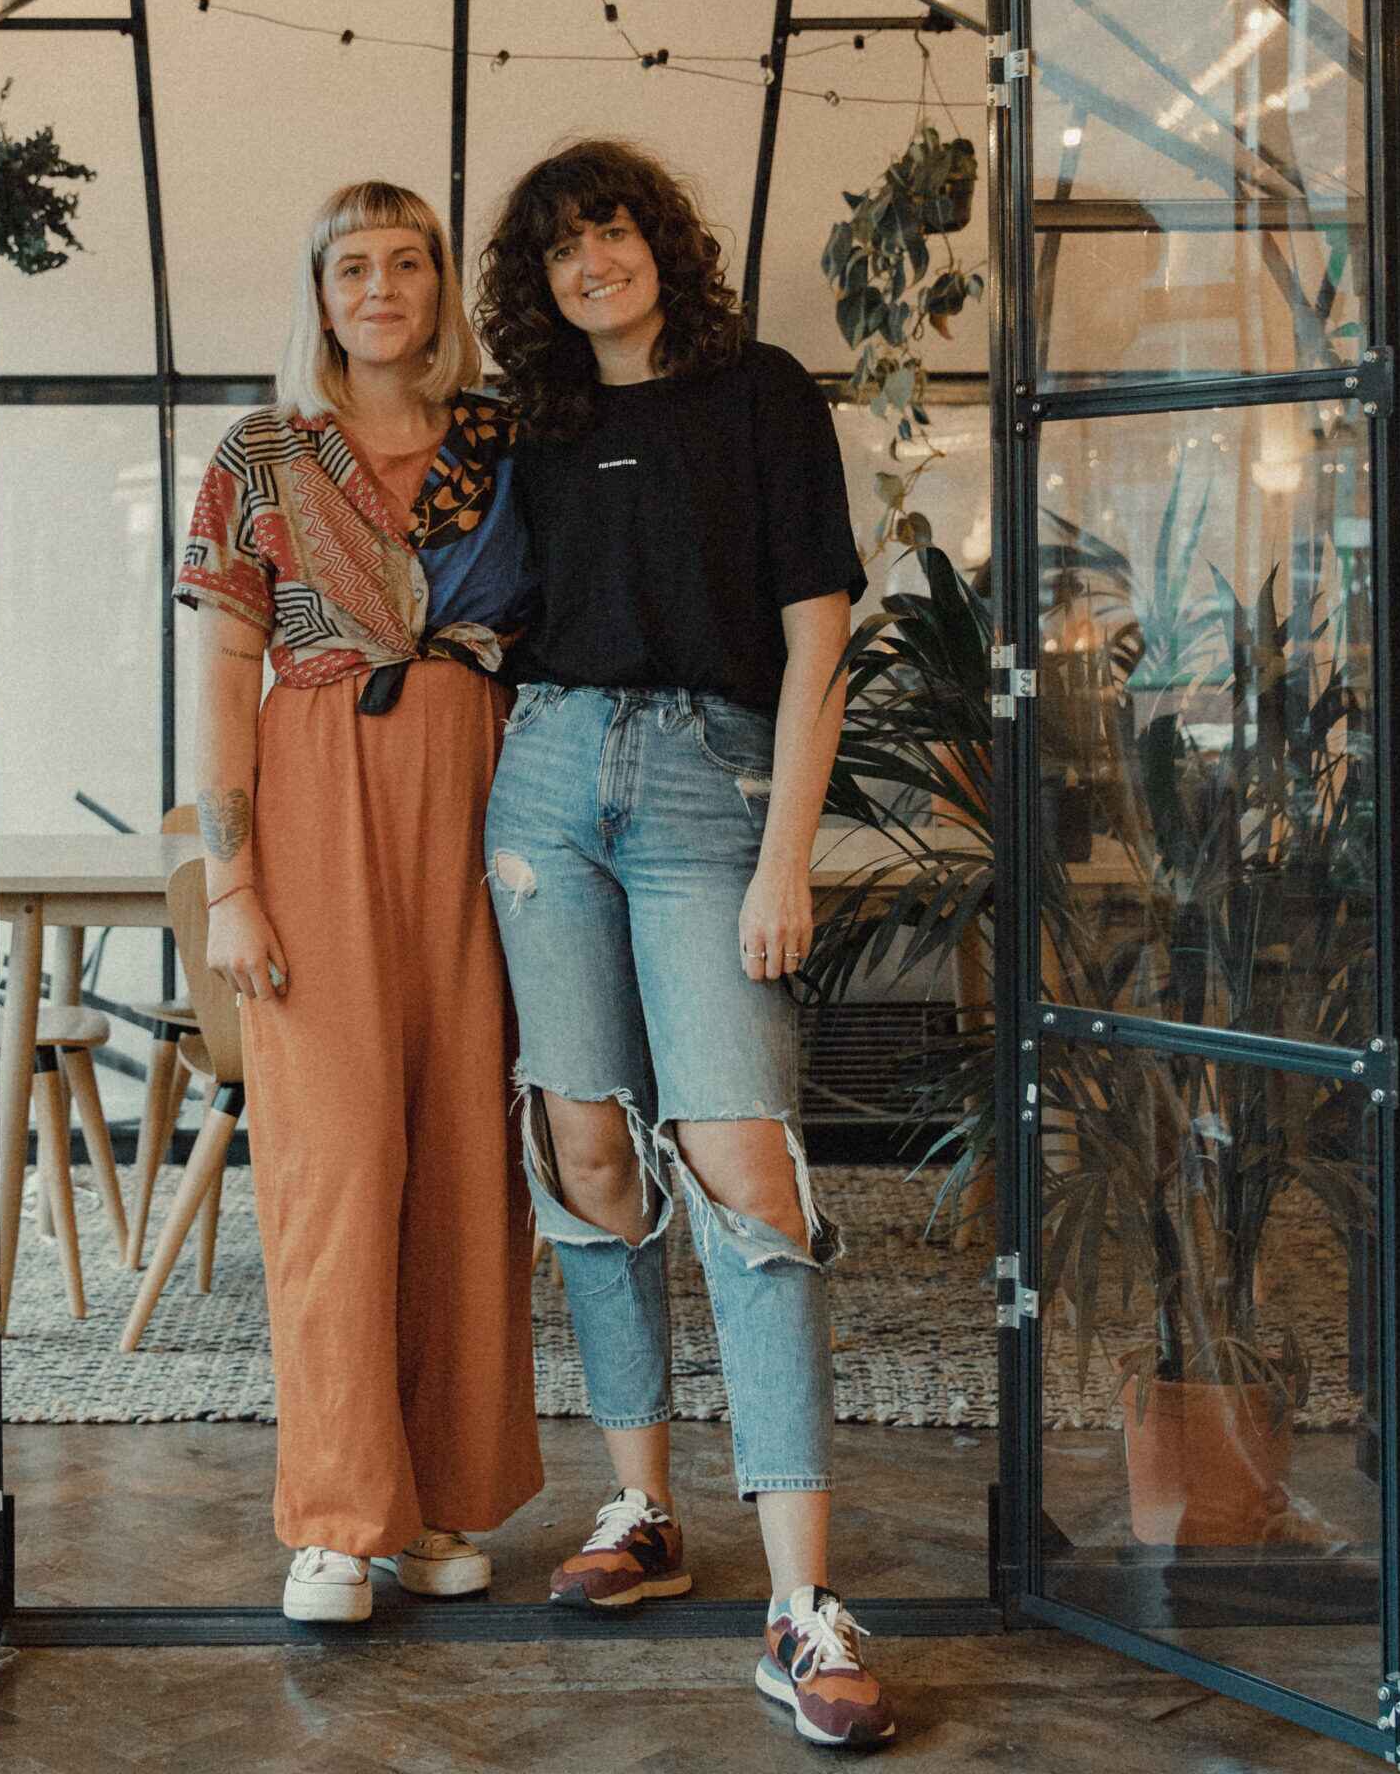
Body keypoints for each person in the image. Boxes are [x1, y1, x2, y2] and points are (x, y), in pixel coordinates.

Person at [476, 138, 895, 1751]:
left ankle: (802, 1604)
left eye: (614, 232)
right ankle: (639, 1508)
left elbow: (818, 638)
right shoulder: (535, 423)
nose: (594, 263)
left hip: (712, 793)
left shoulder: (760, 392)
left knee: (745, 1170)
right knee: (583, 1146)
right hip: (546, 781)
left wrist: (785, 854)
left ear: (661, 243)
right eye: (563, 249)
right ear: (541, 282)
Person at [174, 178, 542, 1625]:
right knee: (333, 1174)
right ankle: (336, 1515)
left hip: (484, 800)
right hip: (315, 793)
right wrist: (232, 882)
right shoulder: (263, 453)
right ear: (317, 293)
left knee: (465, 1159)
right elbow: (219, 668)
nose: (380, 288)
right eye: (351, 267)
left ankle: (443, 1503)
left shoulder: (509, 443)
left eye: (407, 264)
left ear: (440, 287)